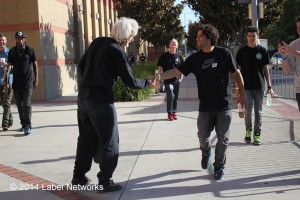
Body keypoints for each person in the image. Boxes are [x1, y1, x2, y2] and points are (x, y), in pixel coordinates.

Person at [72, 17, 156, 193]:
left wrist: (84, 86)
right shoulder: (117, 51)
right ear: (126, 35)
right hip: (101, 100)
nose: (132, 39)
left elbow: (80, 65)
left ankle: (78, 176)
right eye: (132, 35)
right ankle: (104, 180)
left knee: (85, 138)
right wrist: (149, 82)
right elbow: (131, 81)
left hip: (84, 99)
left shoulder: (97, 42)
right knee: (110, 140)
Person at [157, 24, 246, 180]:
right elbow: (176, 72)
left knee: (223, 139)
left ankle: (219, 167)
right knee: (202, 137)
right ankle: (206, 152)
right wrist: (159, 77)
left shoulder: (223, 53)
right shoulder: (195, 59)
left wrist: (242, 95)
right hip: (205, 106)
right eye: (197, 36)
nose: (197, 39)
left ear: (209, 38)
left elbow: (237, 73)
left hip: (224, 105)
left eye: (200, 36)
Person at [236, 26, 274, 145]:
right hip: (246, 87)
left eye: (254, 36)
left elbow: (266, 70)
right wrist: (238, 88)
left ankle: (257, 135)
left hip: (259, 86)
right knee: (248, 111)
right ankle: (248, 132)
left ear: (258, 36)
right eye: (249, 36)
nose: (252, 38)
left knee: (259, 112)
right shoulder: (242, 52)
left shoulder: (262, 51)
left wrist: (269, 86)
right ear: (247, 37)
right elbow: (238, 72)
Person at [5, 31, 38, 135]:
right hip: (16, 83)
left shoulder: (30, 50)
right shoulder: (12, 51)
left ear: (25, 38)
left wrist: (36, 79)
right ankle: (23, 124)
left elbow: (35, 65)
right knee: (19, 105)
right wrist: (6, 79)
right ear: (16, 39)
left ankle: (27, 125)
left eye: (22, 38)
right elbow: (9, 66)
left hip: (28, 83)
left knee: (27, 104)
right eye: (18, 38)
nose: (20, 40)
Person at [157, 39, 183, 121]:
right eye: (172, 43)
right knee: (170, 95)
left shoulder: (179, 57)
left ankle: (174, 112)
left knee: (175, 97)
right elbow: (160, 68)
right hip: (168, 80)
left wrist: (181, 79)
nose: (173, 45)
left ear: (177, 46)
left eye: (175, 44)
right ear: (169, 45)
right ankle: (169, 113)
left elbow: (182, 69)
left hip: (176, 80)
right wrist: (159, 78)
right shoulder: (164, 56)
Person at [278, 16, 300, 110]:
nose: (298, 30)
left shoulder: (293, 49)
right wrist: (283, 56)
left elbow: (295, 53)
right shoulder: (294, 44)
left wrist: (295, 53)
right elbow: (288, 71)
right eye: (297, 27)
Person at [0, 34, 13, 131]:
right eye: (0, 41)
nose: (1, 42)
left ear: (6, 41)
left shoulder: (10, 53)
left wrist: (8, 65)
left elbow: (15, 66)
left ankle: (5, 123)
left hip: (8, 81)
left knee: (7, 102)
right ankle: (10, 119)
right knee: (3, 103)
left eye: (3, 40)